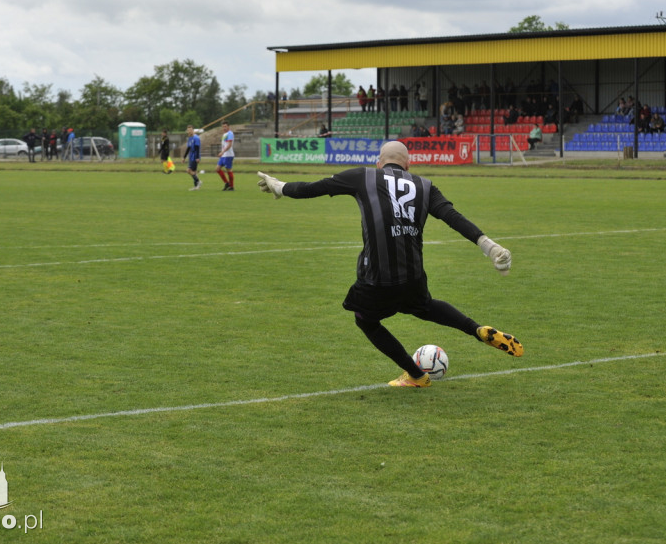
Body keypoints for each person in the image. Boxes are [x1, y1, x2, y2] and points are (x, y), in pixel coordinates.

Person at [255, 141, 523, 388]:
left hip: (378, 278)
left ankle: (416, 375)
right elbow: (453, 217)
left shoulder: (363, 176)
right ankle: (476, 329)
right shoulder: (426, 185)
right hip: (413, 275)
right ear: (408, 165)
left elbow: (313, 188)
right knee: (424, 306)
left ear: (379, 163)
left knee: (366, 320)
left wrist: (279, 186)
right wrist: (491, 247)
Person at [216, 121, 235, 191]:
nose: (224, 128)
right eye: (223, 126)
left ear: (228, 126)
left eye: (225, 126)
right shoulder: (224, 134)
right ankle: (227, 183)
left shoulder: (230, 133)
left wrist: (222, 152)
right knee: (217, 169)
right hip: (224, 155)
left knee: (228, 170)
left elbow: (229, 145)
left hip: (228, 155)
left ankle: (232, 186)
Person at [184, 125, 202, 191]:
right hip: (191, 157)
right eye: (188, 130)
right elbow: (188, 148)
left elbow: (197, 148)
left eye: (190, 130)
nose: (189, 131)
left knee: (188, 170)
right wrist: (184, 157)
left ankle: (198, 182)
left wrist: (197, 157)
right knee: (193, 172)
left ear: (193, 130)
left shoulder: (196, 138)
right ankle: (196, 186)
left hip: (195, 157)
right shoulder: (189, 138)